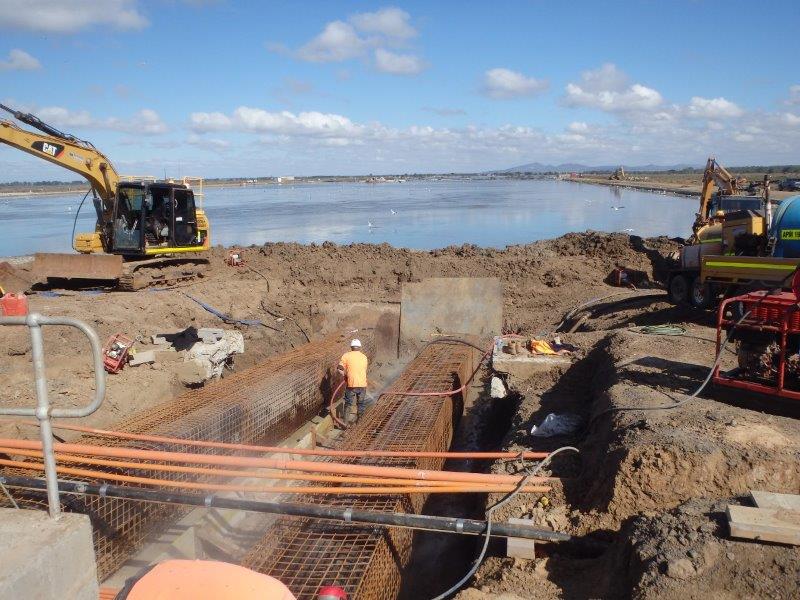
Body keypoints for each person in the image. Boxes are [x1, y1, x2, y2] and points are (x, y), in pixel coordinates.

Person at [337, 339, 369, 425]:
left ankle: (345, 423)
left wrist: (345, 375)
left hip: (351, 385)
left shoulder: (346, 355)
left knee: (348, 403)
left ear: (351, 347)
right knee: (361, 404)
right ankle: (359, 423)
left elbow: (339, 368)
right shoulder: (364, 357)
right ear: (360, 347)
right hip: (362, 384)